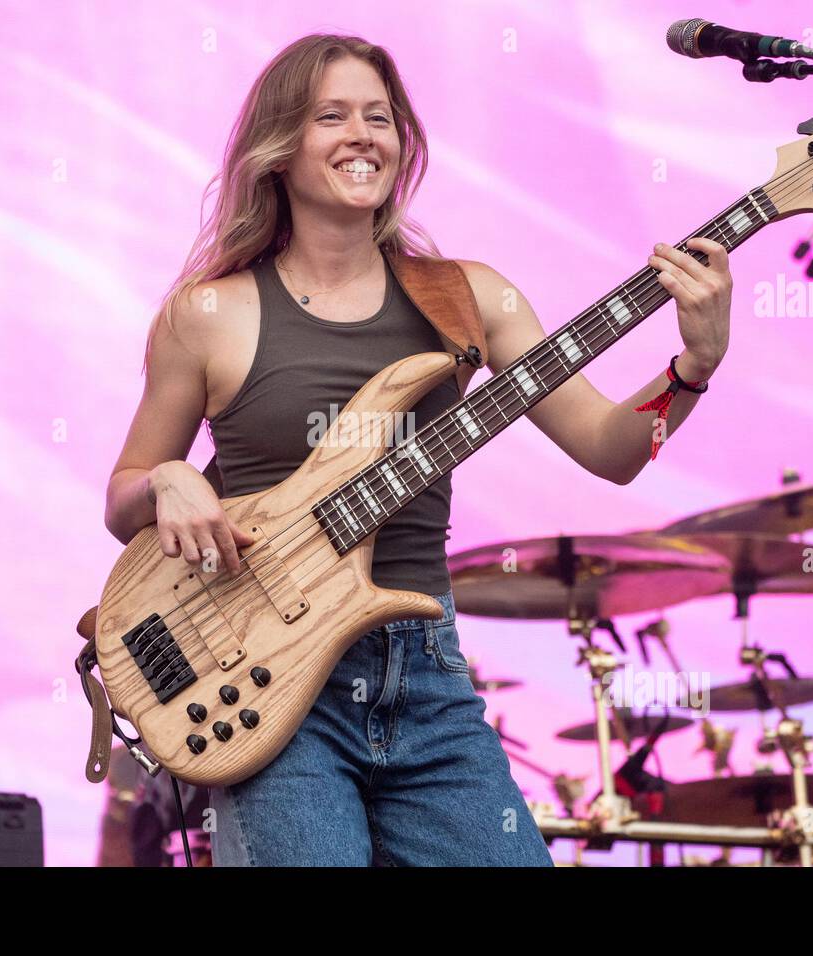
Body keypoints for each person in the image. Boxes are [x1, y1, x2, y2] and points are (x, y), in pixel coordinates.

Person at [104, 34, 732, 866]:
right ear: (281, 148)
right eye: (332, 116)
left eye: (381, 116)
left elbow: (611, 449)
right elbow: (123, 498)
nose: (364, 134)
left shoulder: (469, 296)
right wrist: (170, 482)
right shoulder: (206, 315)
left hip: (426, 676)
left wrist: (692, 368)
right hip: (265, 676)